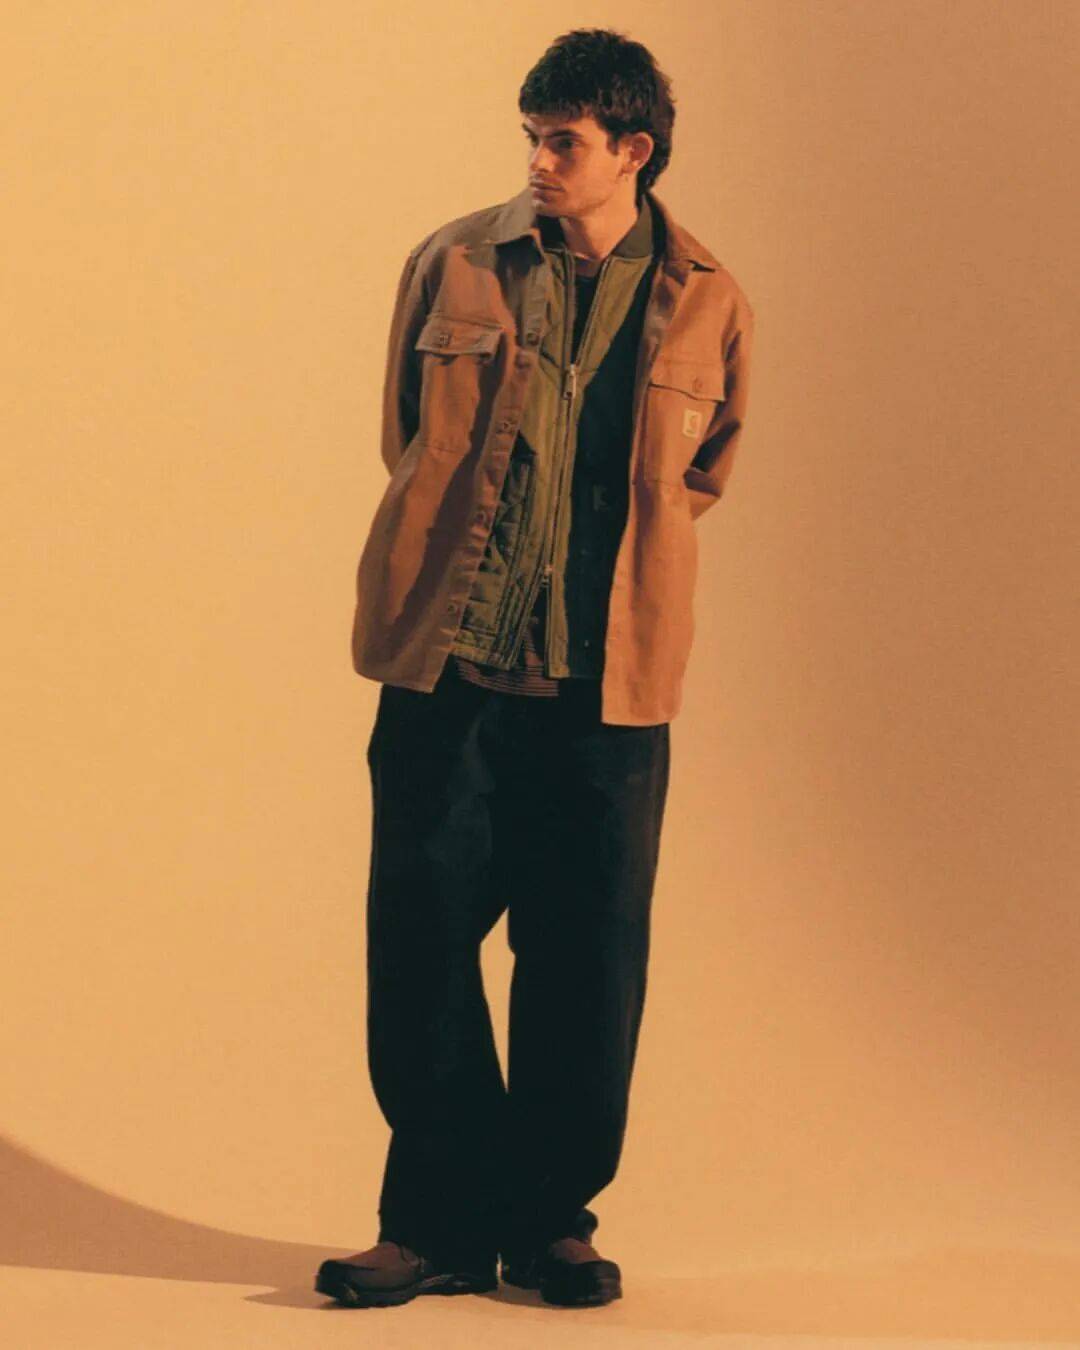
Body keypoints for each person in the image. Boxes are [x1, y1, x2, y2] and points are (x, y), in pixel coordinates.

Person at [316, 26, 754, 1310]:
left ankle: (550, 1222)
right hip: (446, 663)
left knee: (589, 962)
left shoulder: (712, 296)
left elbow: (706, 469)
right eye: (533, 136)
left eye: (565, 141)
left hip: (608, 684)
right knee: (420, 942)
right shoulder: (454, 261)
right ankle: (434, 1224)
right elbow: (406, 434)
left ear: (634, 149)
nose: (540, 160)